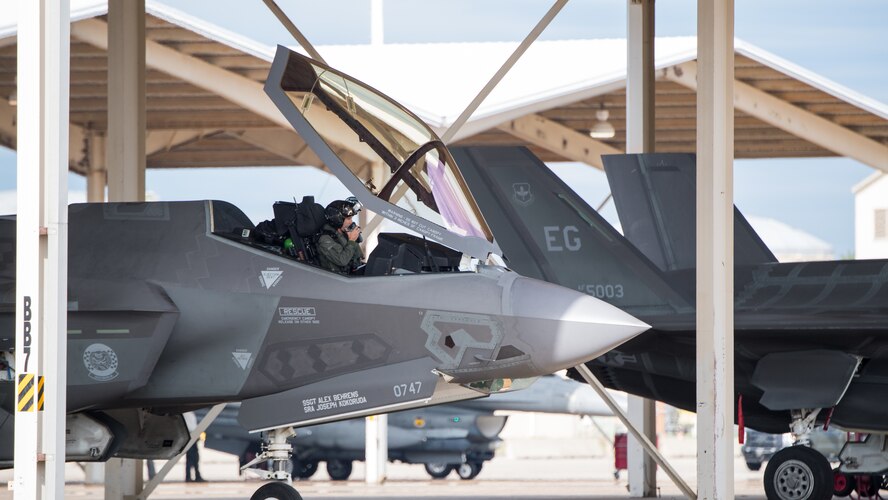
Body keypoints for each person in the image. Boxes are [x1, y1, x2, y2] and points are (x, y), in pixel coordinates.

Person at [317, 198, 364, 274]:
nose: (351, 222)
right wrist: (352, 241)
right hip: (336, 281)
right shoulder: (324, 239)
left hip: (351, 275)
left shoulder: (343, 234)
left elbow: (359, 256)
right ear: (338, 219)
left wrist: (355, 239)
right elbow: (342, 261)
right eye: (348, 219)